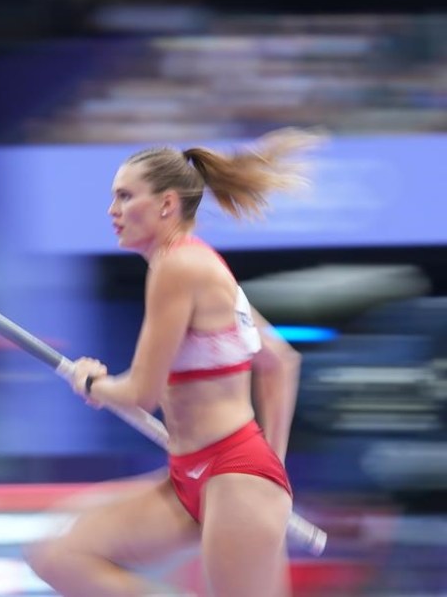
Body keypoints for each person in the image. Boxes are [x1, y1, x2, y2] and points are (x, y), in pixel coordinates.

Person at [25, 128, 325, 597]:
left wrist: (91, 382)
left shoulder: (180, 267)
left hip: (235, 476)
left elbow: (140, 393)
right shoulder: (198, 266)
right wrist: (275, 471)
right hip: (194, 475)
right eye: (113, 198)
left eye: (125, 197)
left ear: (166, 205)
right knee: (58, 555)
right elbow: (281, 361)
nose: (113, 211)